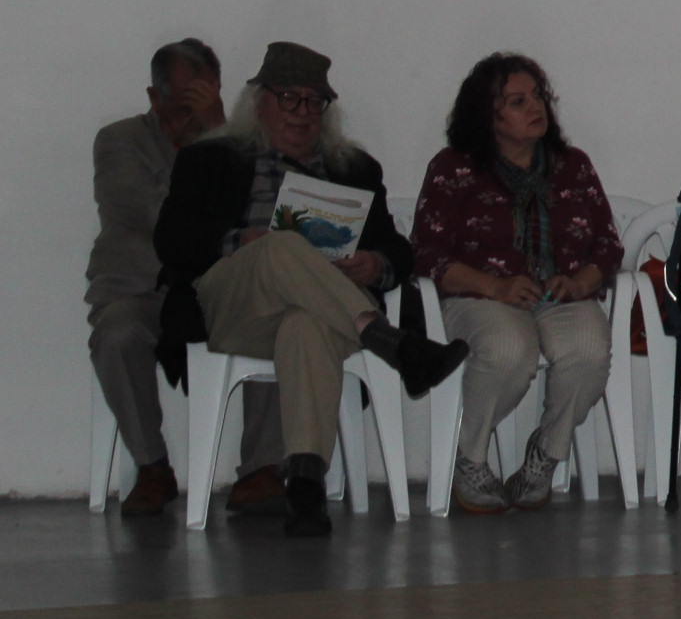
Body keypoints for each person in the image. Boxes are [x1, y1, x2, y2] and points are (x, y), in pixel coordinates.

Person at [155, 42, 470, 537]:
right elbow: (171, 240)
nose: (303, 112)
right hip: (233, 304)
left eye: (314, 101)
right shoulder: (210, 159)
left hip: (323, 311)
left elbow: (397, 249)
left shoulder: (355, 169)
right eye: (289, 98)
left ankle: (304, 487)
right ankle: (392, 343)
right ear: (259, 102)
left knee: (306, 325)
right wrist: (241, 241)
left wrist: (377, 264)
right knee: (281, 246)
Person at [410, 54, 625, 514]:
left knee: (589, 349)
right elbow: (426, 251)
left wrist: (581, 282)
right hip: (482, 294)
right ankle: (469, 457)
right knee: (510, 350)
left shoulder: (572, 166)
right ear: (486, 116)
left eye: (538, 96)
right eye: (517, 101)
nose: (536, 107)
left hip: (560, 294)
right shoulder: (454, 167)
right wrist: (494, 286)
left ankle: (545, 454)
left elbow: (608, 245)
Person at [87, 39, 276, 518]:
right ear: (155, 97)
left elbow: (254, 214)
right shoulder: (118, 140)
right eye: (180, 107)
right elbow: (156, 214)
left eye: (203, 100)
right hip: (140, 288)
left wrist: (217, 135)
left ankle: (262, 470)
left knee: (277, 316)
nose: (190, 117)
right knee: (116, 335)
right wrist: (201, 150)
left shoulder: (243, 145)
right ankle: (152, 467)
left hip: (216, 284)